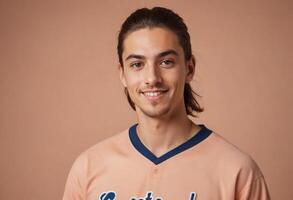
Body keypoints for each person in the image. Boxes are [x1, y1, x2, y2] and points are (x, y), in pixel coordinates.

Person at [63, 7, 270, 200]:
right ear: (123, 75)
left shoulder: (238, 172)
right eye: (137, 64)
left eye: (166, 62)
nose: (152, 78)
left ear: (189, 69)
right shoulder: (89, 167)